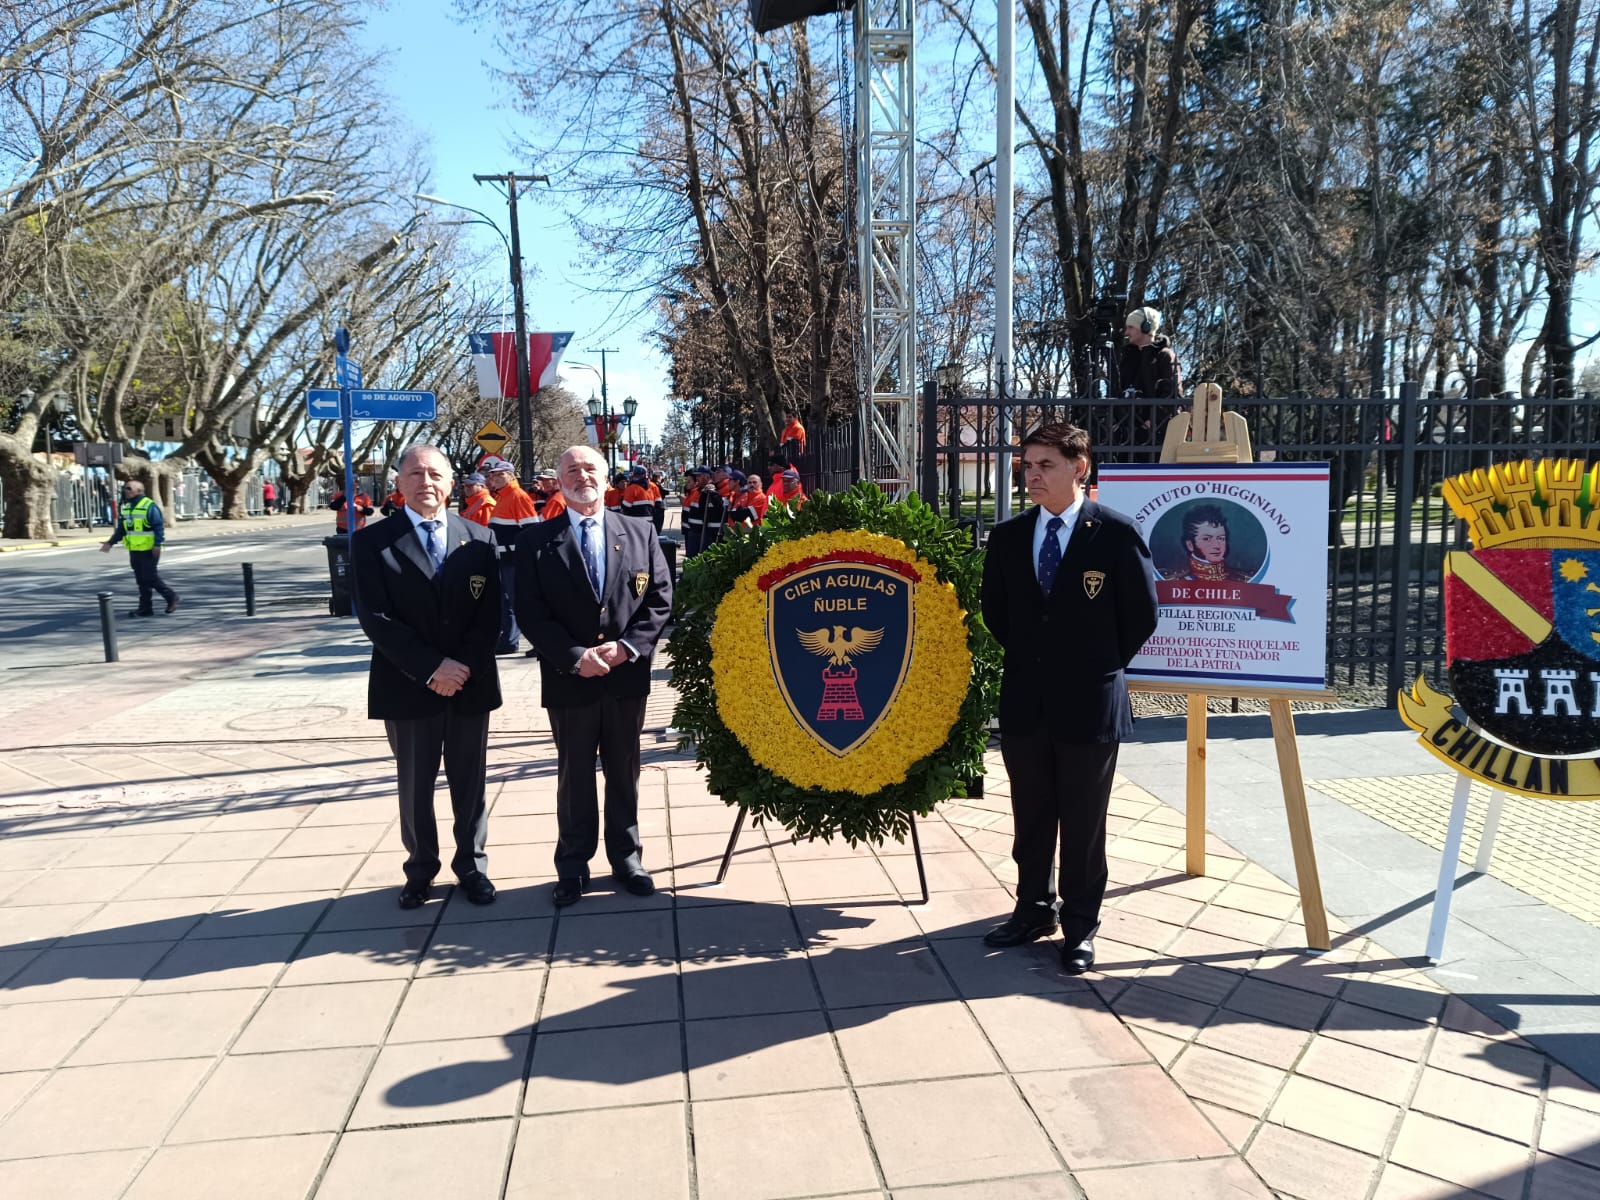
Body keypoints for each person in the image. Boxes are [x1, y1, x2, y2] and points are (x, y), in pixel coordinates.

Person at [979, 422, 1158, 974]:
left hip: (1089, 703)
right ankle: (1032, 907)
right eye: (1027, 466)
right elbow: (997, 613)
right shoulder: (1009, 537)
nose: (1032, 476)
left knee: (1084, 824)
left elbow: (1141, 617)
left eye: (1045, 466)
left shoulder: (1116, 534)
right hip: (1027, 701)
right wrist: (1039, 660)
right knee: (1031, 816)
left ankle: (1080, 926)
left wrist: (1091, 665)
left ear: (1079, 468)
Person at [514, 443, 673, 907]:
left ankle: (627, 858)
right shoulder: (535, 541)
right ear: (558, 480)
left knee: (625, 771)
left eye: (590, 469)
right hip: (570, 678)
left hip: (625, 678)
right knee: (574, 774)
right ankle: (573, 864)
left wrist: (627, 648)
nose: (581, 476)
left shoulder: (640, 531)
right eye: (570, 469)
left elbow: (660, 598)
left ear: (606, 479)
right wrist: (573, 655)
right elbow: (529, 610)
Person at [352, 444, 502, 911]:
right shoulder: (372, 542)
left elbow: (490, 615)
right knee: (415, 784)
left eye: (435, 473)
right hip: (407, 683)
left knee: (470, 783)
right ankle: (420, 870)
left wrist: (461, 668)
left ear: (451, 483)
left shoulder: (479, 538)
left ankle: (472, 867)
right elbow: (376, 617)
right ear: (398, 484)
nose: (426, 482)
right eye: (415, 473)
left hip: (469, 683)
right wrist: (432, 667)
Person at [482, 455, 539, 655]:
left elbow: (531, 530)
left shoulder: (517, 496)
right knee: (508, 601)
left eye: (499, 475)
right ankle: (509, 641)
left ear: (509, 475)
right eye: (492, 475)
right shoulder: (503, 496)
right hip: (505, 558)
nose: (494, 478)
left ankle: (538, 642)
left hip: (514, 560)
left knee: (520, 602)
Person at [100, 479, 180, 617]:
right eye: (125, 488)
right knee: (141, 580)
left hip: (149, 549)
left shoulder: (149, 506)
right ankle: (145, 608)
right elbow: (122, 529)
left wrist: (157, 544)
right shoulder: (127, 507)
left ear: (139, 491)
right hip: (135, 549)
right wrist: (110, 542)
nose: (125, 490)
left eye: (128, 488)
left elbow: (158, 527)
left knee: (150, 577)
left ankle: (171, 597)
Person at [1162, 503, 1253, 582]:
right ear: (1190, 545)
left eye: (1221, 538)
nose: (1217, 546)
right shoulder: (1173, 580)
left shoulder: (1244, 579)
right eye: (1207, 539)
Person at [1118, 306, 1182, 400]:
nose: (1126, 332)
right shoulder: (1128, 357)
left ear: (1146, 327)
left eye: (1131, 327)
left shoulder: (1165, 356)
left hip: (1156, 414)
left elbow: (1173, 397)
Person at [681, 467, 709, 556]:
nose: (686, 484)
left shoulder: (696, 494)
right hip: (689, 531)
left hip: (695, 532)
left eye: (689, 481)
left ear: (696, 482)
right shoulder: (690, 494)